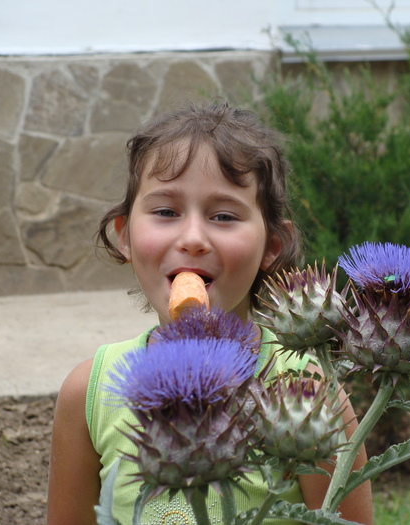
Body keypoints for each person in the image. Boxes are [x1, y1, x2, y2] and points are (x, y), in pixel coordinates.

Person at [46, 102, 373, 525]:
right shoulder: (90, 392)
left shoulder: (305, 391)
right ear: (125, 236)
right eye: (165, 212)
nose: (193, 238)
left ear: (272, 245)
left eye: (224, 216)